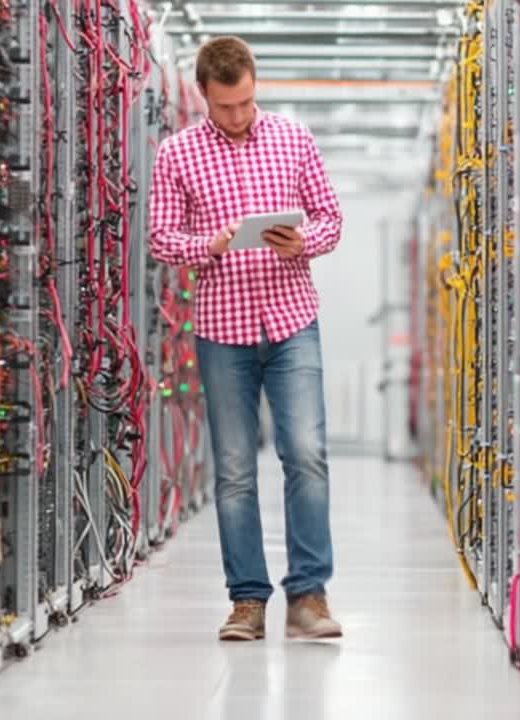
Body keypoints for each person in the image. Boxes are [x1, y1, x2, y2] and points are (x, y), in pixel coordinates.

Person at [147, 36, 343, 642]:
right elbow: (160, 238)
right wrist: (207, 245)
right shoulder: (177, 154)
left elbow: (331, 219)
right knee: (234, 470)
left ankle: (309, 596)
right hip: (223, 328)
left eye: (247, 103)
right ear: (203, 94)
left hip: (291, 319)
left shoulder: (292, 138)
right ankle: (247, 602)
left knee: (305, 454)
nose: (238, 116)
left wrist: (301, 242)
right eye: (226, 106)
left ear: (256, 87)